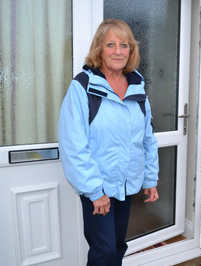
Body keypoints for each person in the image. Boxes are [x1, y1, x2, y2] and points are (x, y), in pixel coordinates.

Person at [58, 19, 159, 266]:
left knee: (117, 246)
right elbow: (73, 144)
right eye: (111, 44)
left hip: (125, 185)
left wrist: (150, 179)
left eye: (124, 45)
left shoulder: (138, 87)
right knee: (103, 250)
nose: (118, 51)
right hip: (98, 187)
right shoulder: (83, 87)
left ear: (131, 51)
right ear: (99, 49)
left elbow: (147, 138)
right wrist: (94, 191)